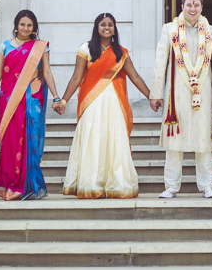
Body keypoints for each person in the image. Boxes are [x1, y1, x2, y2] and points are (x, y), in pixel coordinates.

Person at [55, 13, 153, 198]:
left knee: (114, 137)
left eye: (110, 24)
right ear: (97, 27)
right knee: (94, 137)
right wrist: (64, 100)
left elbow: (135, 77)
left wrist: (152, 97)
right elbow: (77, 77)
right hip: (92, 100)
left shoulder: (121, 52)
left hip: (114, 100)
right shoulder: (86, 49)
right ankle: (91, 184)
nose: (107, 27)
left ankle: (115, 184)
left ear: (114, 28)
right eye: (103, 24)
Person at [149, 0, 212, 198]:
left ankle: (207, 186)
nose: (193, 8)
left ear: (202, 7)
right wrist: (155, 93)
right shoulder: (170, 30)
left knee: (204, 141)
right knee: (174, 141)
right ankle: (171, 187)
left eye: (196, 5)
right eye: (189, 5)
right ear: (182, 7)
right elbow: (160, 62)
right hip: (176, 92)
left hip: (203, 93)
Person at [0, 9, 58, 200]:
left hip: (32, 99)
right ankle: (9, 185)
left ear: (34, 28)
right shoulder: (4, 46)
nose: (25, 28)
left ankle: (29, 185)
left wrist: (57, 97)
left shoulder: (41, 47)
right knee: (10, 143)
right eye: (22, 24)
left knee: (30, 141)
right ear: (16, 26)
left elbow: (46, 73)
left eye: (29, 25)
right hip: (8, 100)